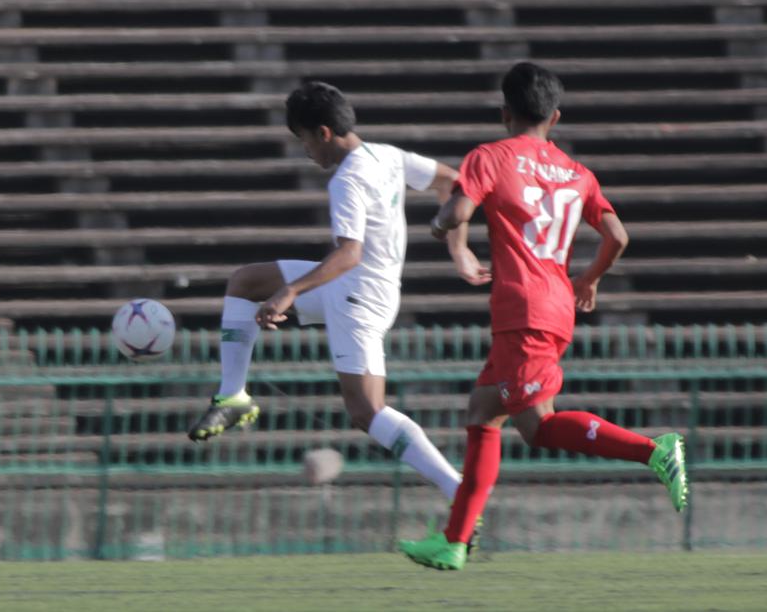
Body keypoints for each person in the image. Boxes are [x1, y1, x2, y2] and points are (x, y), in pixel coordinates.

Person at [399, 62, 689, 571]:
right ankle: (454, 538)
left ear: (504, 111)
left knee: (529, 425)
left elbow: (459, 213)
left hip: (523, 308)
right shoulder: (579, 174)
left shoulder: (490, 156)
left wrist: (439, 222)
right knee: (492, 414)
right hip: (555, 303)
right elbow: (618, 237)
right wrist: (590, 279)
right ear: (555, 116)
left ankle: (653, 450)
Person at [187, 80, 470, 505]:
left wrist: (290, 292)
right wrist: (458, 247)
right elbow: (453, 181)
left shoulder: (347, 180)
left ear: (323, 133)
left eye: (303, 140)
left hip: (359, 298)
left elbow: (350, 253)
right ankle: (233, 395)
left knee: (368, 412)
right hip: (358, 286)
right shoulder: (387, 156)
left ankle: (459, 491)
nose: (305, 151)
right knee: (245, 282)